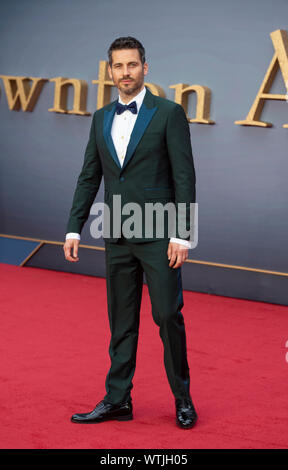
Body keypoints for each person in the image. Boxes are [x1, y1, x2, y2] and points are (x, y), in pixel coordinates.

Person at [63, 36, 198, 429]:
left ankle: (183, 398)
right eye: (119, 66)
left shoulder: (169, 113)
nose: (126, 72)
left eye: (133, 65)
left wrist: (182, 234)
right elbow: (90, 176)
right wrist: (74, 227)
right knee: (121, 320)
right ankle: (118, 398)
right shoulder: (101, 117)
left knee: (167, 314)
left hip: (159, 233)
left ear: (145, 68)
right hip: (117, 232)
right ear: (110, 71)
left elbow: (184, 176)